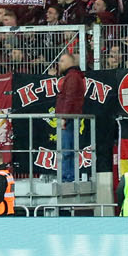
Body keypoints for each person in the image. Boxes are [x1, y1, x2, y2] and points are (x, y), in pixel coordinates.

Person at [54, 53, 85, 182]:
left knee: (66, 149)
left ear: (69, 63)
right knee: (69, 148)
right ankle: (69, 176)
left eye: (62, 61)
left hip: (69, 118)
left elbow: (69, 98)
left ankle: (67, 177)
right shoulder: (74, 76)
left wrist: (64, 117)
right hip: (71, 117)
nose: (59, 64)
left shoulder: (72, 77)